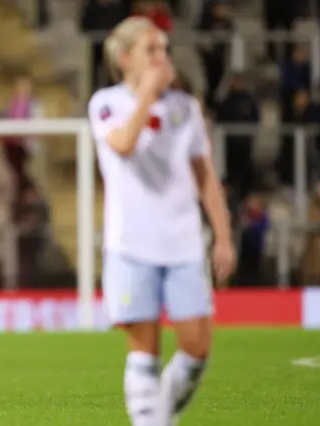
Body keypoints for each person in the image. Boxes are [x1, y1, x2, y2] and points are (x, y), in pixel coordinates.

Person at [88, 18, 235, 426]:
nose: (162, 58)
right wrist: (148, 95)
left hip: (184, 243)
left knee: (197, 347)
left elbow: (204, 176)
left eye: (164, 49)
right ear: (125, 58)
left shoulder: (184, 108)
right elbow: (122, 144)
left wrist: (222, 236)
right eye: (151, 50)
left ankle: (157, 418)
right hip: (131, 244)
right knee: (144, 351)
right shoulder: (106, 102)